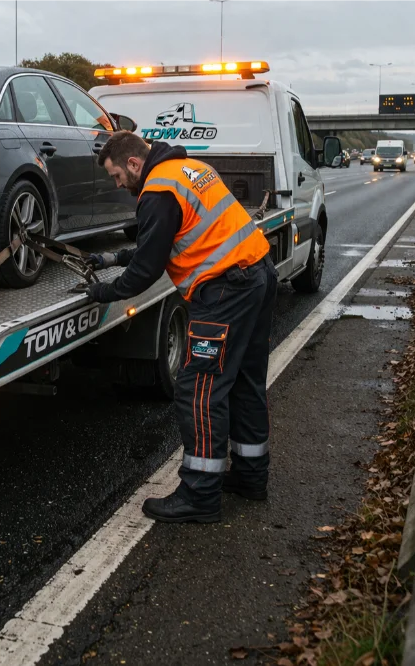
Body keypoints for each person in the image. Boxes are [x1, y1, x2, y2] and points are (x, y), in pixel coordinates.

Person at [80, 131, 278, 523]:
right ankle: (251, 477)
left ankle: (200, 495)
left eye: (118, 176)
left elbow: (147, 270)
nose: (119, 185)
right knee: (244, 382)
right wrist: (112, 257)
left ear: (134, 164)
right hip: (257, 276)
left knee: (199, 390)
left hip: (224, 293)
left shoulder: (156, 190)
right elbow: (172, 239)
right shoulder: (190, 169)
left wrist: (102, 293)